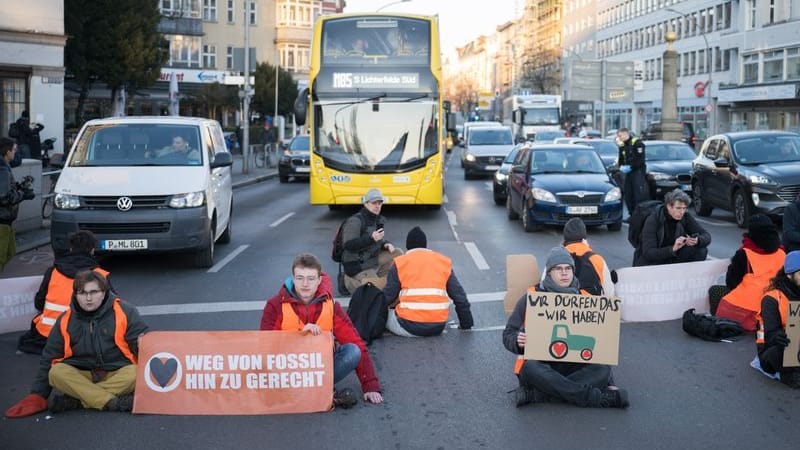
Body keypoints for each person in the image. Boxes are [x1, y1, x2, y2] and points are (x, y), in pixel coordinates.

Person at [4, 271, 148, 417]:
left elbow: (143, 343)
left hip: (116, 372)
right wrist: (38, 395)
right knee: (56, 372)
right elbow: (49, 357)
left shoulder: (125, 311)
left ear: (104, 292)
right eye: (82, 293)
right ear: (75, 294)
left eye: (93, 292)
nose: (88, 298)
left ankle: (78, 400)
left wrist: (140, 344)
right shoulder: (65, 319)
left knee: (136, 373)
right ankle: (111, 402)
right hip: (81, 374)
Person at [503, 246, 629, 408]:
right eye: (558, 268)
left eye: (568, 268)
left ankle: (540, 396)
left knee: (602, 370)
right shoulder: (532, 297)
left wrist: (609, 381)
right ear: (549, 272)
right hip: (544, 366)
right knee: (530, 368)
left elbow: (601, 348)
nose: (564, 273)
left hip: (575, 366)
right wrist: (517, 341)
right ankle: (594, 398)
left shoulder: (587, 299)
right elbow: (508, 334)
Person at [260, 253, 383, 408]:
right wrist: (298, 336)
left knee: (353, 351)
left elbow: (356, 342)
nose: (305, 284)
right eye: (300, 278)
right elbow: (266, 348)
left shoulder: (331, 307)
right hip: (288, 371)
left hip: (319, 371)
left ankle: (307, 391)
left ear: (319, 280)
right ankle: (311, 392)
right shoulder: (275, 305)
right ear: (293, 278)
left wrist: (370, 385)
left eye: (311, 278)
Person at [17, 230, 111, 355]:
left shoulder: (53, 271)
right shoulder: (100, 275)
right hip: (83, 336)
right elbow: (113, 308)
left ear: (71, 249)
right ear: (92, 250)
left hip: (47, 334)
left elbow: (39, 303)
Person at [382, 226, 473, 337]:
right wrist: (466, 324)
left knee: (385, 314)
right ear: (425, 245)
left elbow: (388, 296)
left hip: (408, 326)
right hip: (437, 327)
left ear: (408, 247)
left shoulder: (400, 262)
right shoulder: (443, 261)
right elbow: (459, 296)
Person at [709, 214, 785, 330]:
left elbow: (731, 283)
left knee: (715, 291)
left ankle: (722, 322)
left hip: (751, 309)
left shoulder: (744, 254)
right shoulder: (782, 252)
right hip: (778, 306)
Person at [341, 188, 402, 293]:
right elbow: (348, 245)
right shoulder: (355, 221)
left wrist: (386, 244)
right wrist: (370, 239)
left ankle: (376, 278)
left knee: (398, 253)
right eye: (374, 203)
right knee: (376, 290)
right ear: (366, 204)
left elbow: (377, 240)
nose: (377, 206)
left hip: (370, 260)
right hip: (356, 264)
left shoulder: (377, 219)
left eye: (380, 203)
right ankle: (349, 281)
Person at [755, 250, 800, 388]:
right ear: (789, 275)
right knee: (784, 348)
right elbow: (769, 334)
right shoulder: (772, 298)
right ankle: (789, 374)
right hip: (772, 349)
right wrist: (778, 337)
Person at [634, 189, 711, 267]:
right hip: (654, 262)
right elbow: (648, 253)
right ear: (669, 207)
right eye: (678, 208)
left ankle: (688, 276)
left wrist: (697, 240)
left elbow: (706, 235)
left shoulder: (685, 217)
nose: (681, 212)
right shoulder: (653, 220)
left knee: (701, 250)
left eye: (684, 208)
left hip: (673, 257)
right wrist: (673, 248)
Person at [0, 137, 35, 271]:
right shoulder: (2, 168)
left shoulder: (4, 166)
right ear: (7, 152)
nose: (15, 154)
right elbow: (3, 197)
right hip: (2, 221)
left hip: (6, 221)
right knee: (2, 257)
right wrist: (23, 195)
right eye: (14, 150)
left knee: (10, 252)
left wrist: (19, 187)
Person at [562, 218, 615, 296]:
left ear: (565, 238)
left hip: (560, 306)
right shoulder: (596, 260)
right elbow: (609, 293)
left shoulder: (555, 259)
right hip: (590, 306)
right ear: (584, 238)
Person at [616, 127, 647, 216]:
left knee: (638, 195)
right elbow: (621, 159)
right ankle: (631, 214)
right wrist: (621, 166)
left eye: (620, 135)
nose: (619, 138)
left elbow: (640, 160)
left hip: (637, 172)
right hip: (628, 173)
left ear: (626, 134)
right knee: (628, 194)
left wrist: (631, 167)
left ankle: (639, 215)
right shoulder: (622, 145)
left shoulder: (637, 143)